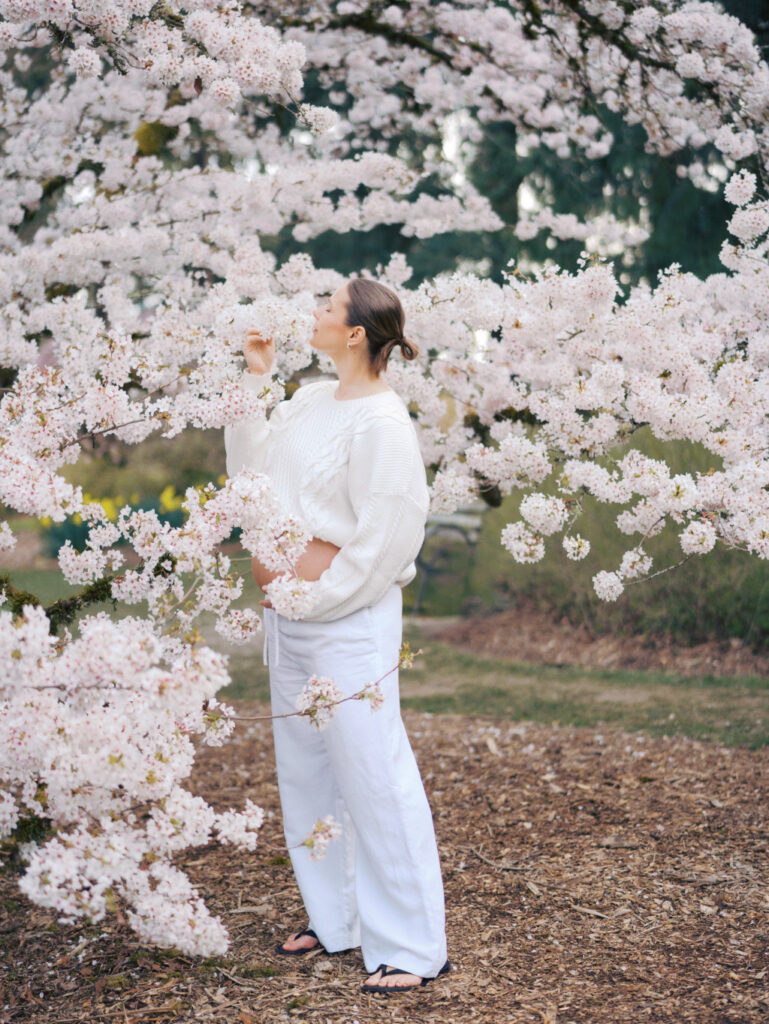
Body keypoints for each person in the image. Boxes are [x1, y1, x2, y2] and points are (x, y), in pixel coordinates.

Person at [224, 278, 450, 994]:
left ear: (354, 332)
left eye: (325, 307)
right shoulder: (312, 399)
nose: (311, 314)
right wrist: (256, 380)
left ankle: (413, 946)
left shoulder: (383, 424)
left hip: (345, 622)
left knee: (373, 776)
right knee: (308, 771)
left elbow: (385, 541)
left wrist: (314, 599)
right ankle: (339, 918)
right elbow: (250, 478)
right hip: (289, 620)